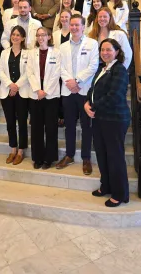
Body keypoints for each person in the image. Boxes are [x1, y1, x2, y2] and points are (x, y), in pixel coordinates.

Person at [84, 39, 130, 207]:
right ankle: (106, 186)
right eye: (102, 50)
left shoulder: (120, 70)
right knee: (102, 154)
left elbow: (115, 95)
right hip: (100, 119)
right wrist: (86, 103)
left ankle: (119, 193)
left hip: (115, 119)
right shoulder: (102, 69)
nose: (105, 53)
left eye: (108, 50)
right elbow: (92, 90)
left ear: (117, 51)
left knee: (115, 157)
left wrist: (93, 107)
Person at [57, 15, 99, 175]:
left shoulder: (92, 44)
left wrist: (77, 81)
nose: (74, 28)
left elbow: (93, 66)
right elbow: (61, 68)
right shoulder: (63, 46)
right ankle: (69, 155)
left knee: (87, 126)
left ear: (83, 27)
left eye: (77, 25)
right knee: (69, 126)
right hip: (68, 91)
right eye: (72, 25)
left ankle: (86, 157)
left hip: (84, 90)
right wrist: (70, 82)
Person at [27, 27, 61, 169]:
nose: (40, 38)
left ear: (49, 37)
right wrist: (37, 90)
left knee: (51, 128)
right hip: (35, 95)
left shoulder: (56, 53)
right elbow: (29, 72)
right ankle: (38, 158)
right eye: (38, 35)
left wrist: (45, 91)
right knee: (36, 128)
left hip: (51, 96)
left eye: (43, 35)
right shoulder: (31, 53)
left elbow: (56, 73)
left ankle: (49, 158)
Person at [0, 26, 29, 165]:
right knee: (10, 122)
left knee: (22, 122)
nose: (15, 37)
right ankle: (13, 149)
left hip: (22, 92)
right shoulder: (4, 53)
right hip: (6, 92)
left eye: (18, 35)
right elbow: (0, 71)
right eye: (13, 34)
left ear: (23, 38)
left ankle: (21, 150)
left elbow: (29, 73)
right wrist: (10, 85)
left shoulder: (28, 53)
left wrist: (16, 86)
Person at [53, 9, 72, 127]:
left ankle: (68, 116)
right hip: (57, 68)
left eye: (66, 17)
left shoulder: (74, 32)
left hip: (69, 69)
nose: (64, 19)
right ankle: (60, 116)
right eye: (62, 17)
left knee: (68, 94)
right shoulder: (55, 34)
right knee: (59, 93)